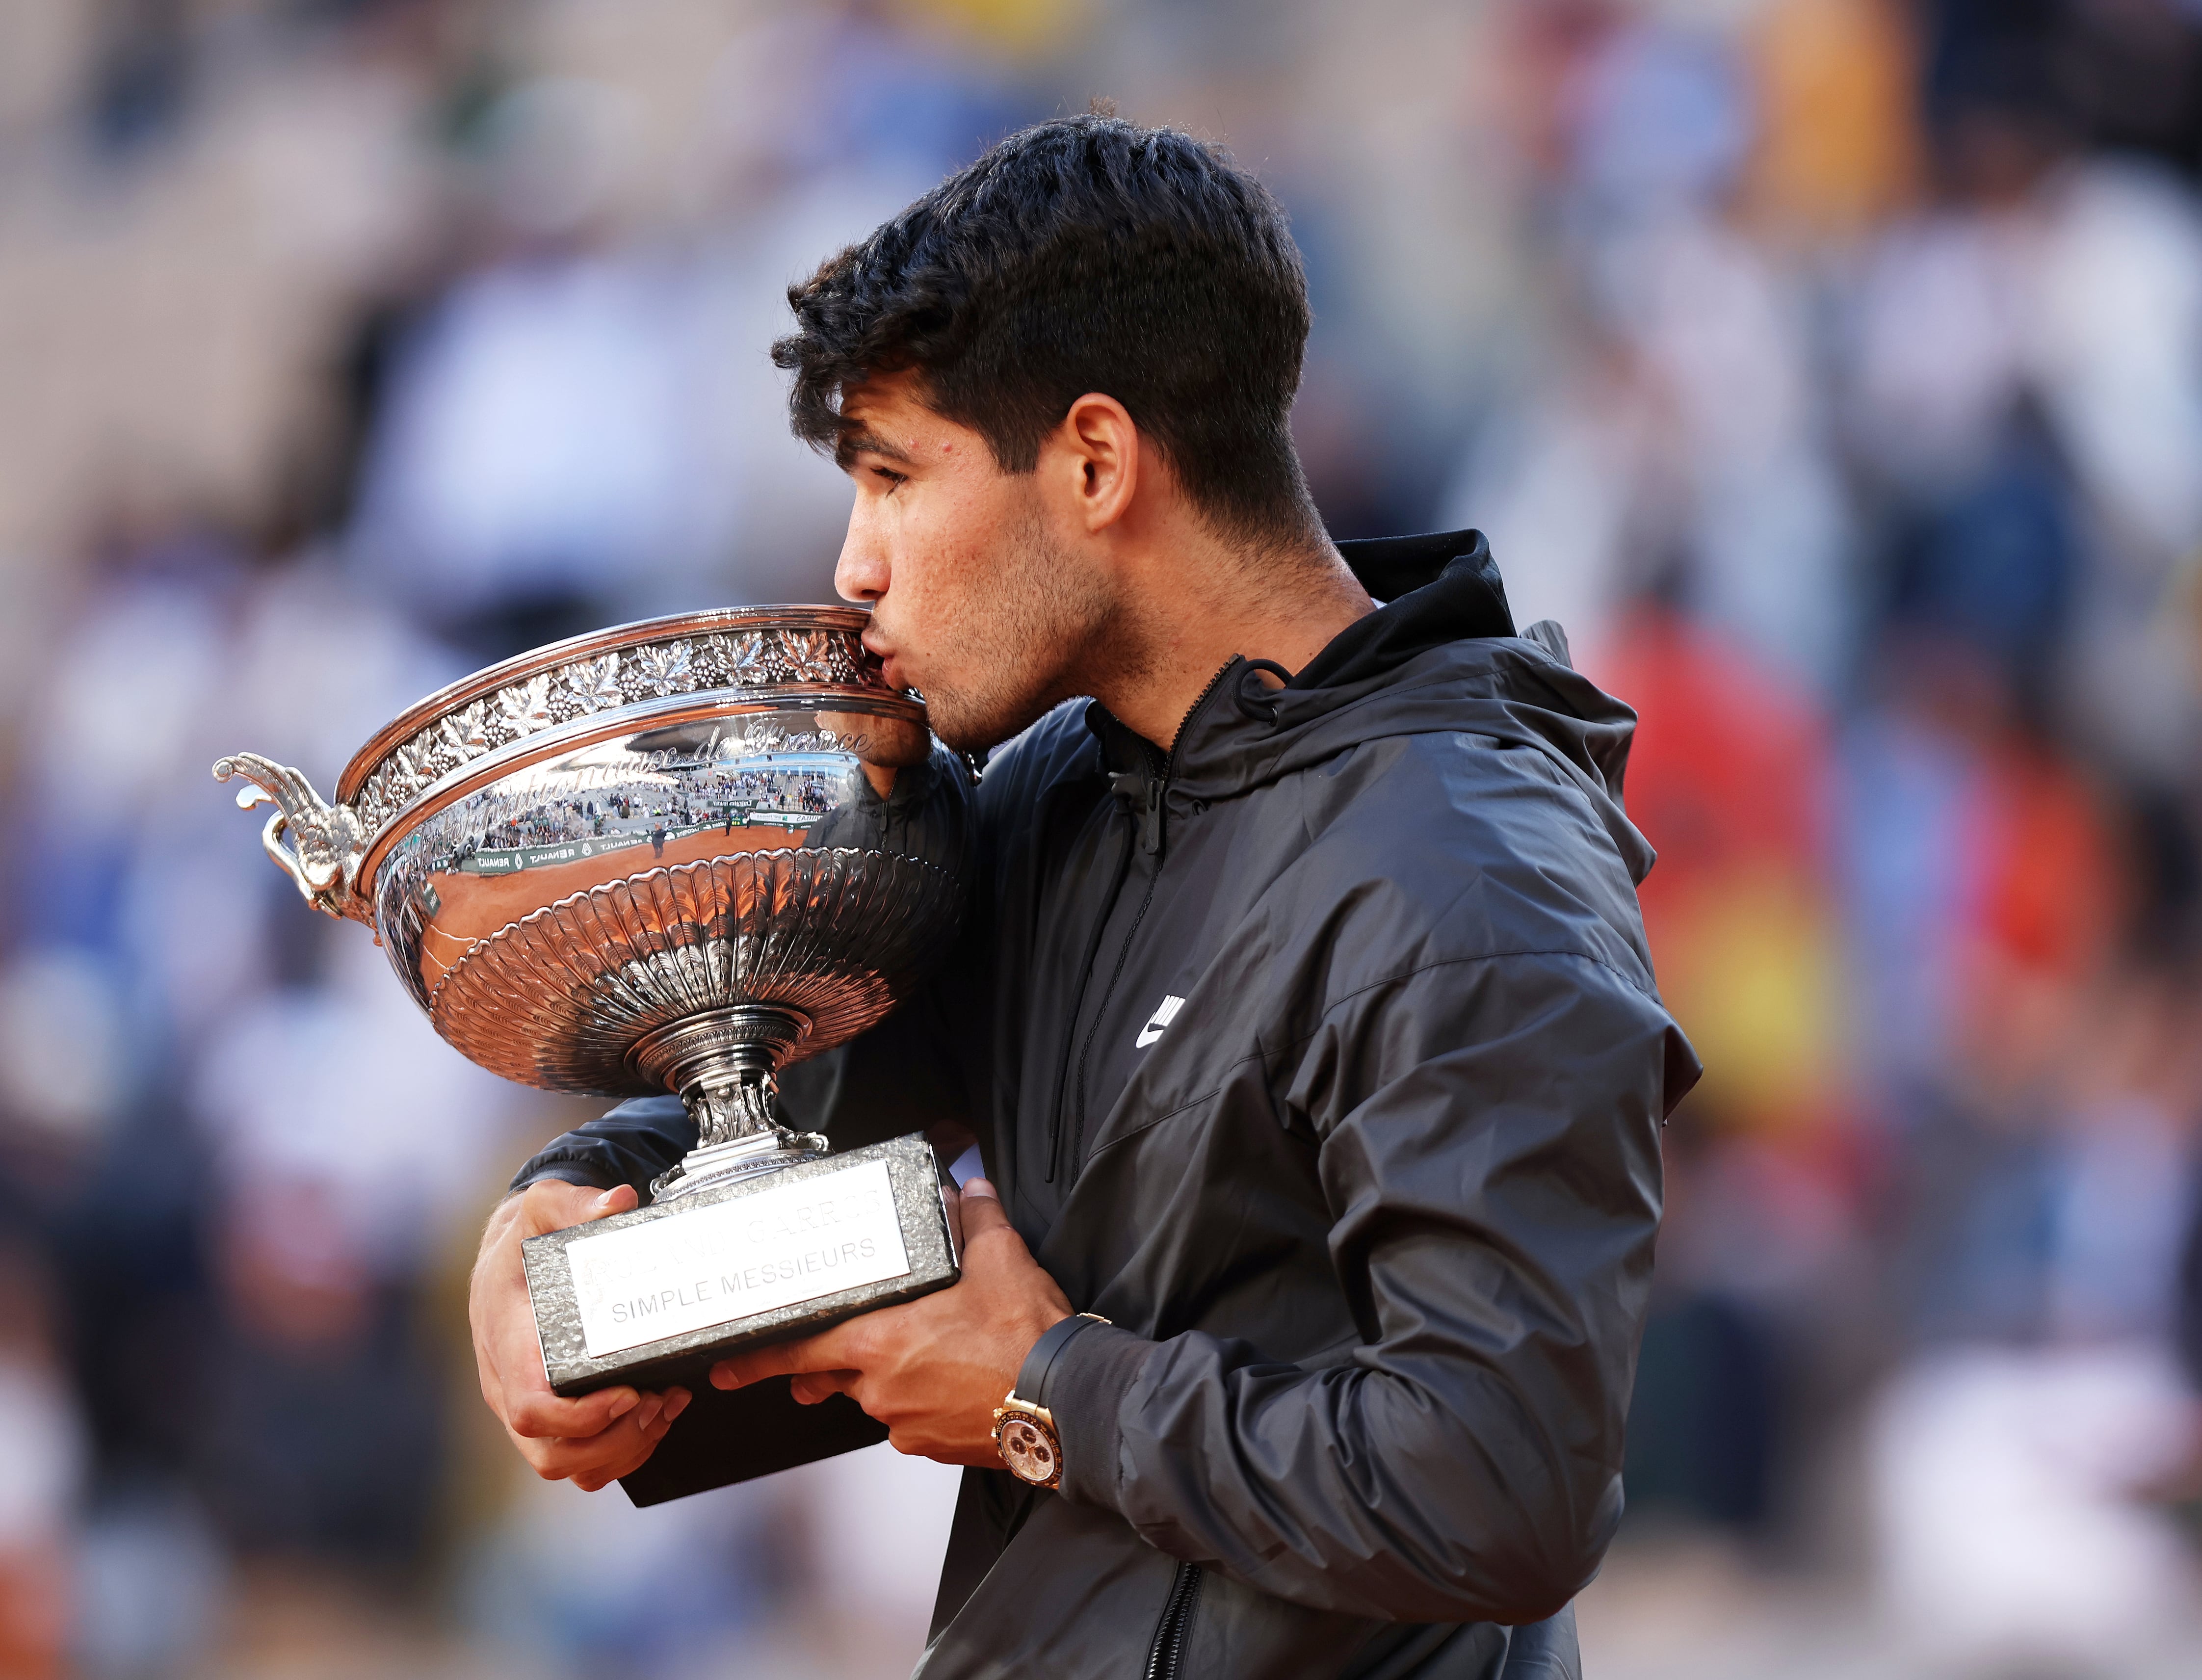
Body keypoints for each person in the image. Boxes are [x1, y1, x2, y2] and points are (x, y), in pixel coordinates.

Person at [468, 113, 1696, 1678]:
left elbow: (1504, 1487)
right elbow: (775, 1122)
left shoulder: (1464, 869)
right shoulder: (1061, 790)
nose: (855, 565)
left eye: (896, 477)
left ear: (1097, 462)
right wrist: (558, 1246)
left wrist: (1050, 1394)